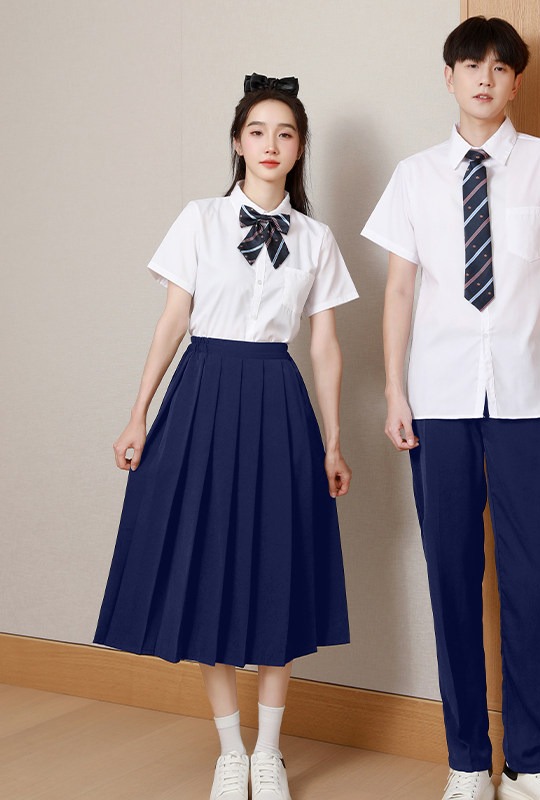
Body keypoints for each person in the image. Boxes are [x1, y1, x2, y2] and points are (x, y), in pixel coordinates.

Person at [362, 16, 540, 800]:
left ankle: (529, 762)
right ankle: (468, 761)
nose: (484, 77)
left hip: (532, 396)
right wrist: (395, 391)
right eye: (471, 65)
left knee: (535, 577)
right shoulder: (415, 177)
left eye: (500, 68)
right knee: (451, 576)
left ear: (516, 83)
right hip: (439, 398)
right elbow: (399, 292)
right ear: (449, 77)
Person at [93, 73, 358, 800]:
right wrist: (138, 412)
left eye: (285, 133)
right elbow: (173, 322)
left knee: (279, 566)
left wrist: (334, 440)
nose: (271, 145)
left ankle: (270, 753)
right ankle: (230, 752)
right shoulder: (201, 219)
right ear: (238, 143)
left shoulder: (317, 239)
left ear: (300, 149)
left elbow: (326, 346)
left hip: (278, 400)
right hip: (203, 395)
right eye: (257, 131)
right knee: (206, 562)